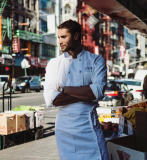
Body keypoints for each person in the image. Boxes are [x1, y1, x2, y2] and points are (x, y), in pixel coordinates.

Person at [43, 19, 109, 160]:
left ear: (76, 36)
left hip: (88, 124)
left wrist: (65, 89)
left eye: (63, 37)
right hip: (64, 128)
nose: (60, 41)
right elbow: (51, 99)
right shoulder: (54, 64)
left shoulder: (96, 60)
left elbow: (98, 92)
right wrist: (86, 93)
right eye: (58, 37)